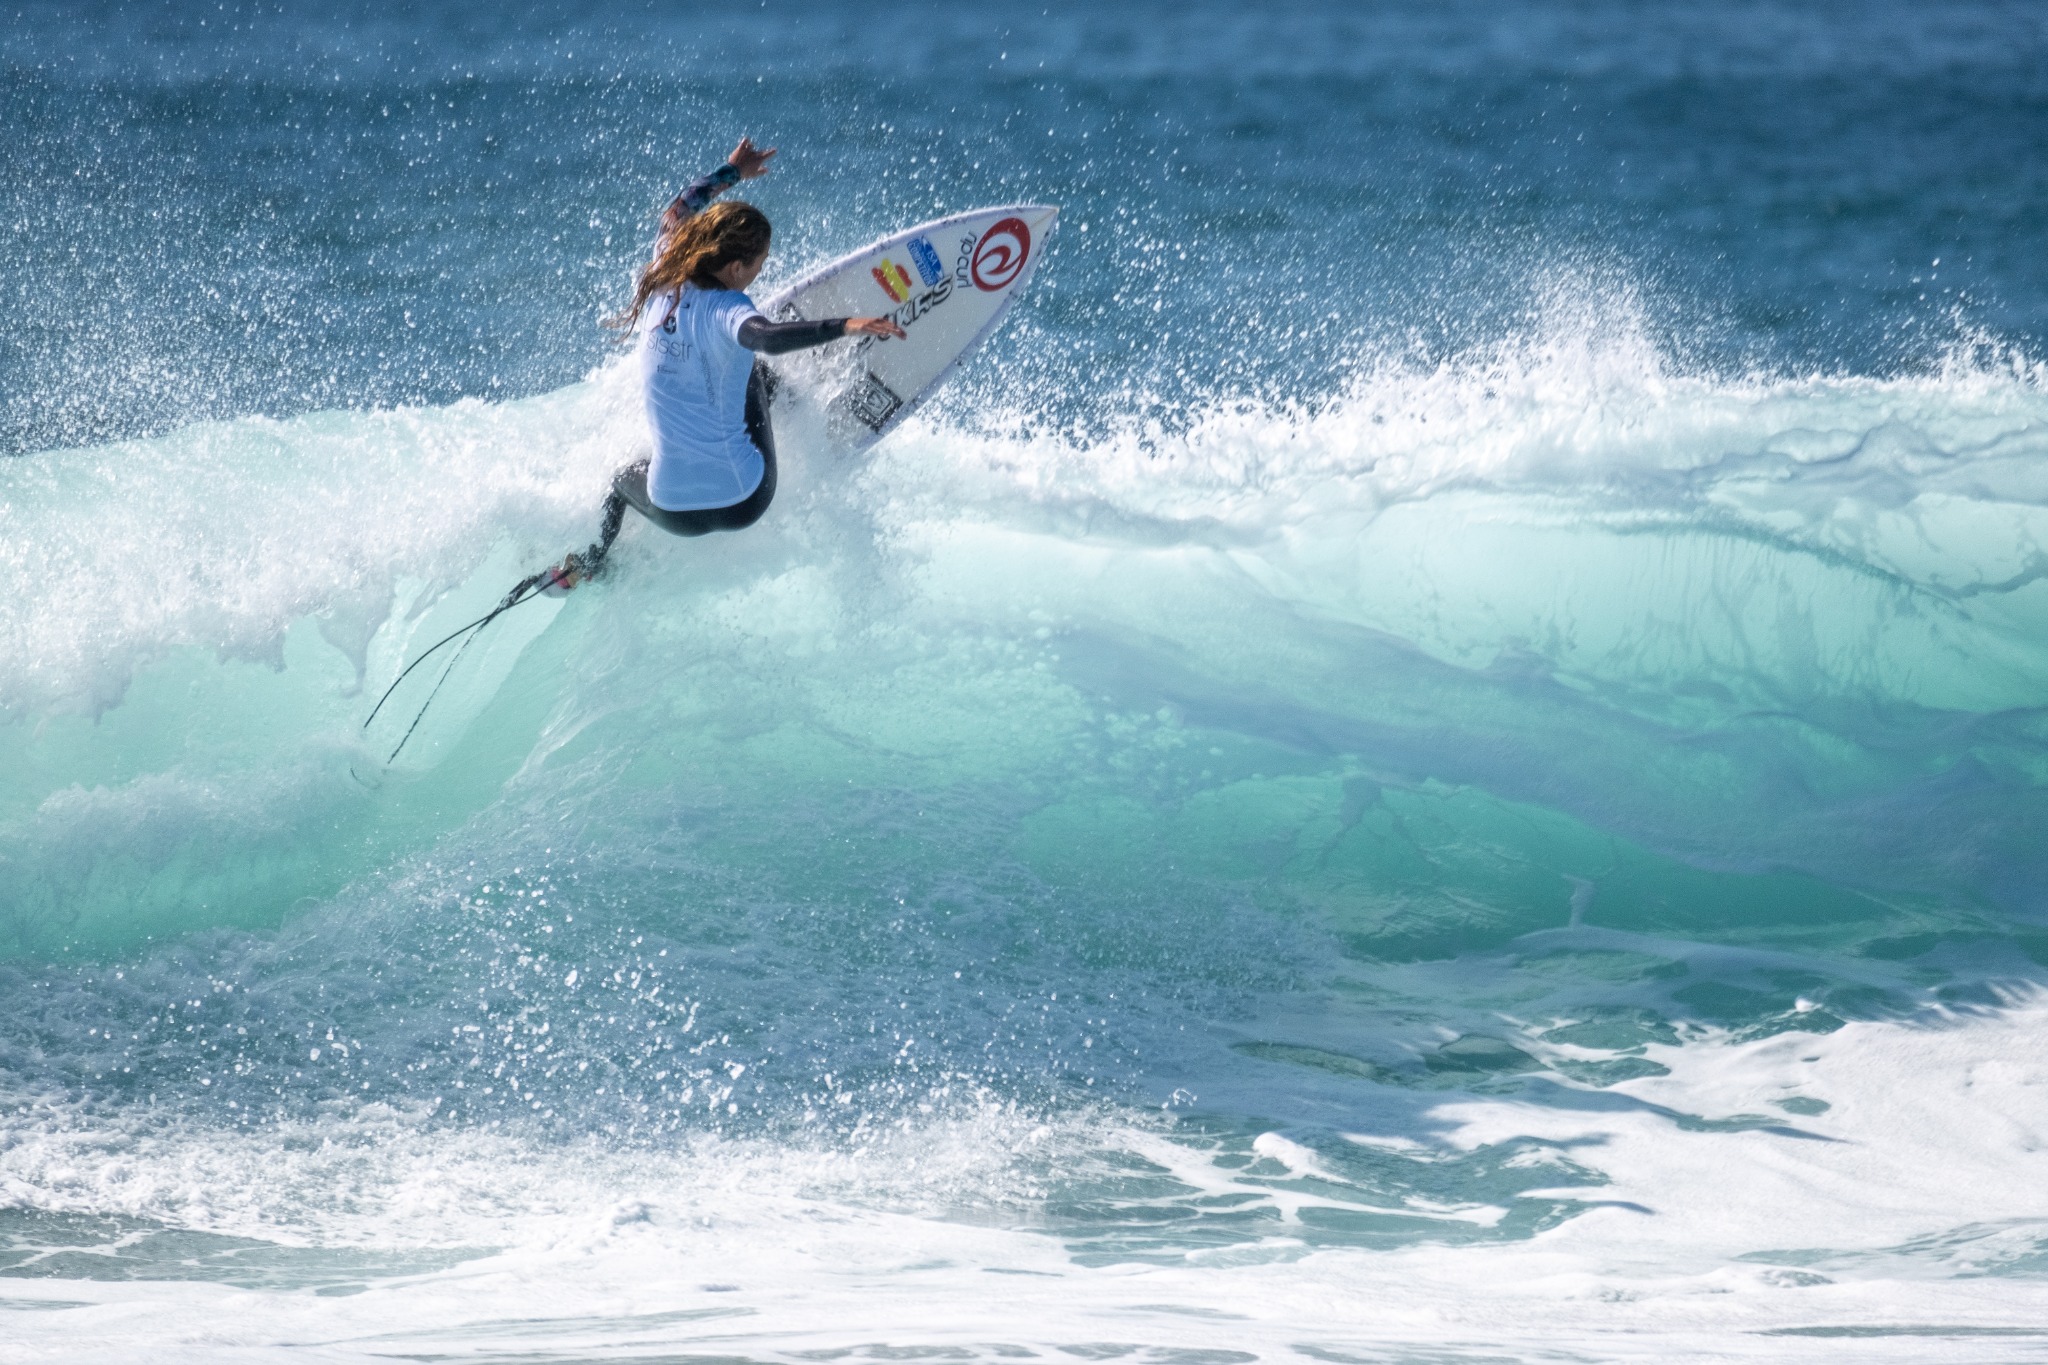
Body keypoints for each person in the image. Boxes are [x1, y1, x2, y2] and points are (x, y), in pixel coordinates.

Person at [548, 137, 905, 589]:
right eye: (758, 264)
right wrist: (848, 324)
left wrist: (733, 171)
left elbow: (680, 208)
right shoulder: (728, 309)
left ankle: (593, 560)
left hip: (672, 511)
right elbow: (767, 338)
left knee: (622, 480)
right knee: (750, 363)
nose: (759, 272)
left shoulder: (663, 267)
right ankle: (803, 408)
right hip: (745, 500)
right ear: (735, 268)